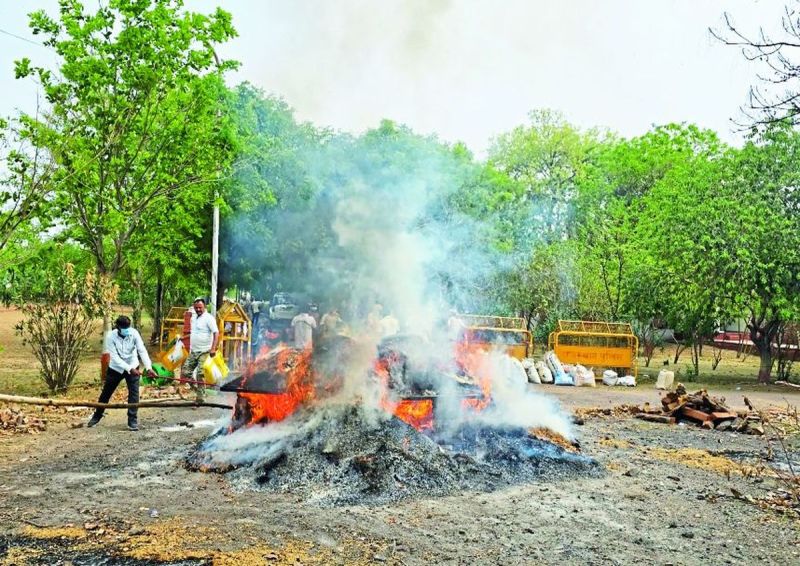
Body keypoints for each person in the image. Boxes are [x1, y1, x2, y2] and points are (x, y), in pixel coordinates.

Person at [87, 315, 155, 431]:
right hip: (116, 368)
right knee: (106, 393)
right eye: (124, 327)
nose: (127, 329)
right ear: (117, 327)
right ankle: (97, 415)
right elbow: (114, 357)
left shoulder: (134, 333)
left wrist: (148, 367)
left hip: (133, 364)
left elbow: (142, 350)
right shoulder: (111, 336)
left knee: (134, 394)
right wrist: (129, 368)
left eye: (128, 327)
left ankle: (132, 420)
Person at [181, 297, 220, 403]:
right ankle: (199, 390)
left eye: (200, 307)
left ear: (205, 307)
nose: (198, 309)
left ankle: (200, 398)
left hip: (205, 351)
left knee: (200, 373)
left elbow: (216, 333)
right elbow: (194, 333)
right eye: (196, 308)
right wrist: (183, 338)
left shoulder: (209, 318)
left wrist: (213, 348)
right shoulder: (193, 318)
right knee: (185, 372)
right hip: (194, 351)